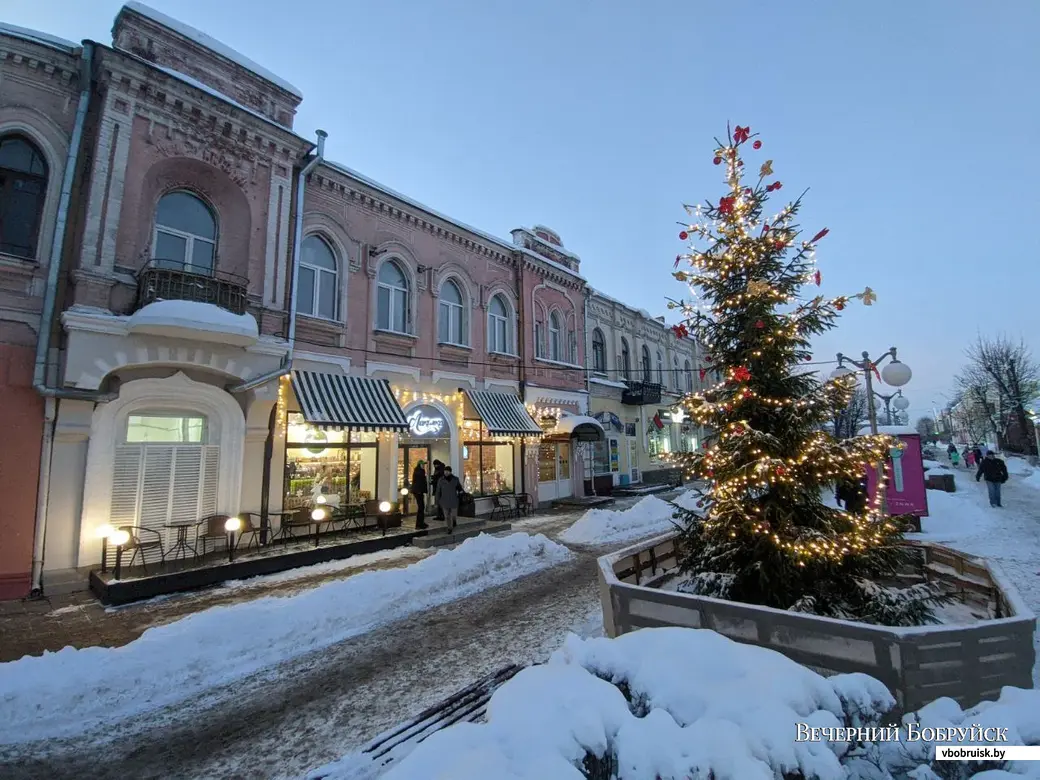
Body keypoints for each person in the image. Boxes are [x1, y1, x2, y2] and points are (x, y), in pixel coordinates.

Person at [435, 465, 463, 533]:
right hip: (444, 500)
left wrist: (461, 491)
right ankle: (449, 528)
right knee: (447, 516)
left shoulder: (455, 479)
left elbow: (459, 487)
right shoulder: (441, 480)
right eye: (445, 471)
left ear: (450, 472)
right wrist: (437, 502)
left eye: (447, 471)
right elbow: (438, 491)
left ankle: (454, 520)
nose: (446, 472)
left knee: (453, 514)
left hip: (453, 500)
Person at [410, 460, 428, 530]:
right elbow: (420, 482)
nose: (424, 466)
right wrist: (420, 491)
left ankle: (421, 523)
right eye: (423, 464)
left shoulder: (417, 471)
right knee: (421, 507)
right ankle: (419, 524)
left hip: (418, 491)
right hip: (418, 492)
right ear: (420, 465)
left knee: (421, 507)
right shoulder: (420, 471)